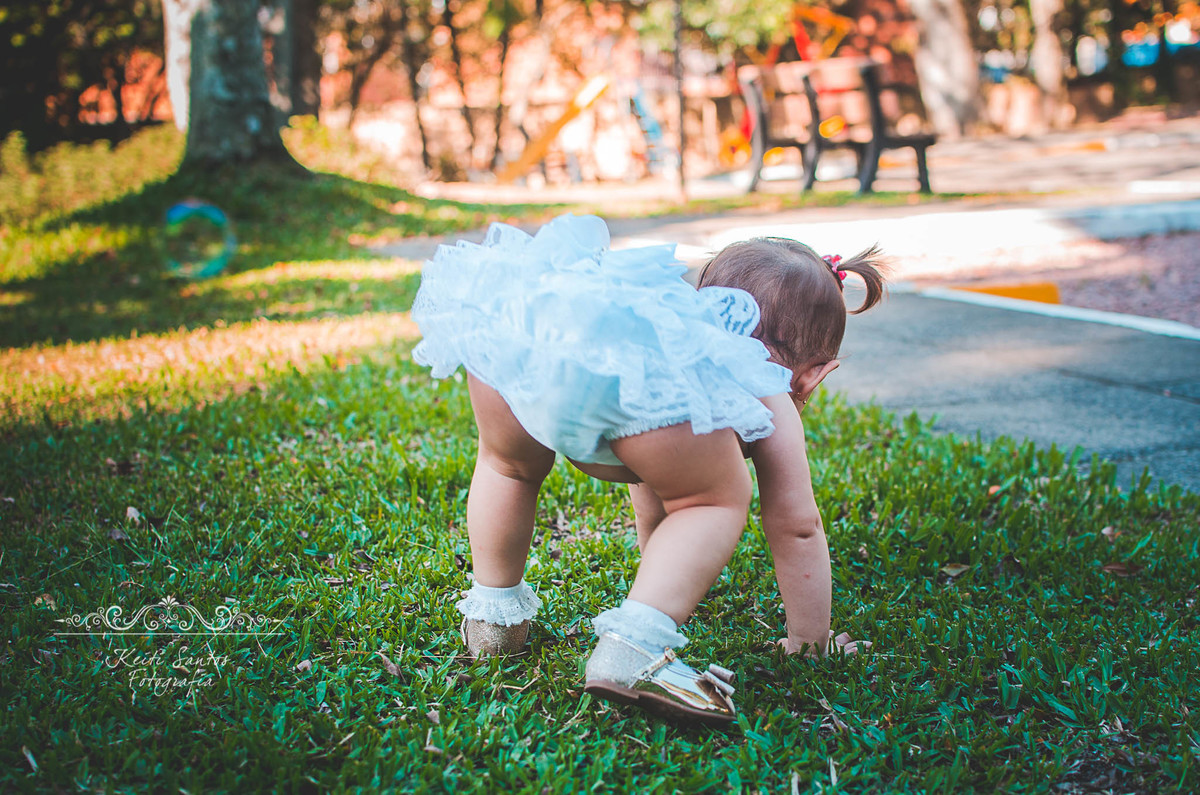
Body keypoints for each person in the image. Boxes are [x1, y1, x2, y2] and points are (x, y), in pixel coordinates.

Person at [411, 214, 883, 726]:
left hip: (525, 339)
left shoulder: (658, 343)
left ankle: (493, 625)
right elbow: (797, 526)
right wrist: (811, 641)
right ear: (814, 375)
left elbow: (656, 480)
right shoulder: (766, 384)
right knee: (714, 501)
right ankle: (632, 650)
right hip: (582, 373)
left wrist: (664, 567)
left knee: (508, 468)